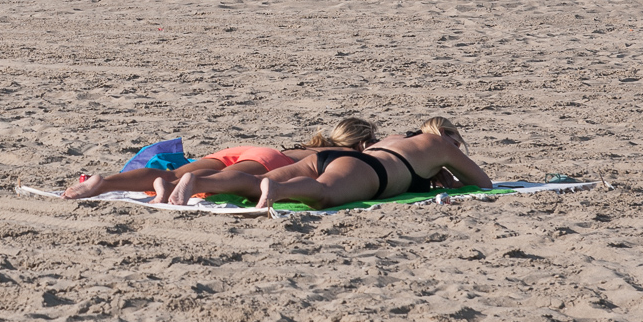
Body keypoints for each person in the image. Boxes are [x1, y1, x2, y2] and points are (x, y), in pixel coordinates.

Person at [168, 116, 492, 210]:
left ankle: (199, 182)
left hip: (328, 157)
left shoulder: (395, 137)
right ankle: (278, 189)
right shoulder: (439, 144)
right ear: (445, 134)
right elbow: (483, 183)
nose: (457, 148)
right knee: (322, 194)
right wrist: (451, 177)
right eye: (457, 142)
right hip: (369, 172)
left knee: (252, 186)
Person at [60, 118, 377, 201]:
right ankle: (192, 185)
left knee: (172, 175)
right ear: (363, 143)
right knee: (214, 181)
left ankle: (103, 183)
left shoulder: (313, 144)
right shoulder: (351, 157)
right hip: (269, 159)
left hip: (245, 148)